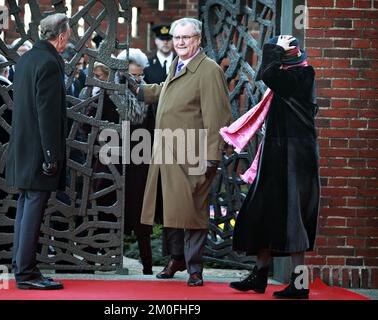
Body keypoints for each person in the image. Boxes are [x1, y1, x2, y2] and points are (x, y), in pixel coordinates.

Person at [134, 17, 232, 286]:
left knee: (193, 212)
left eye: (185, 38)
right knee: (171, 211)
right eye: (177, 38)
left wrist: (213, 155)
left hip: (194, 154)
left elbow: (219, 116)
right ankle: (176, 258)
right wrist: (140, 90)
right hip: (167, 152)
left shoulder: (209, 70)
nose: (179, 42)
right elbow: (169, 91)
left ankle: (194, 268)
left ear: (198, 40)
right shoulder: (179, 65)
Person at [223, 35, 319, 299]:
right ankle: (259, 275)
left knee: (294, 221)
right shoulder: (287, 79)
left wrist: (271, 48)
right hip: (277, 159)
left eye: (278, 54)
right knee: (262, 213)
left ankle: (300, 285)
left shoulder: (301, 76)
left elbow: (267, 73)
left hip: (295, 162)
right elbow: (270, 74)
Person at [6, 13, 71, 290]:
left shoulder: (27, 59)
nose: (69, 40)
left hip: (23, 148)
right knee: (32, 208)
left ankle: (20, 265)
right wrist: (50, 155)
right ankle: (27, 273)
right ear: (60, 36)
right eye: (68, 35)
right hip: (38, 152)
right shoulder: (49, 62)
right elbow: (47, 114)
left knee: (25, 206)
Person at [116, 48, 155, 275]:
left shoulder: (147, 94)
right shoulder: (111, 92)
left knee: (142, 213)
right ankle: (103, 259)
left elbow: (152, 127)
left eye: (140, 76)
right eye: (132, 76)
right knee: (110, 209)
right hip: (112, 158)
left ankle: (147, 263)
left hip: (140, 159)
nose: (136, 80)